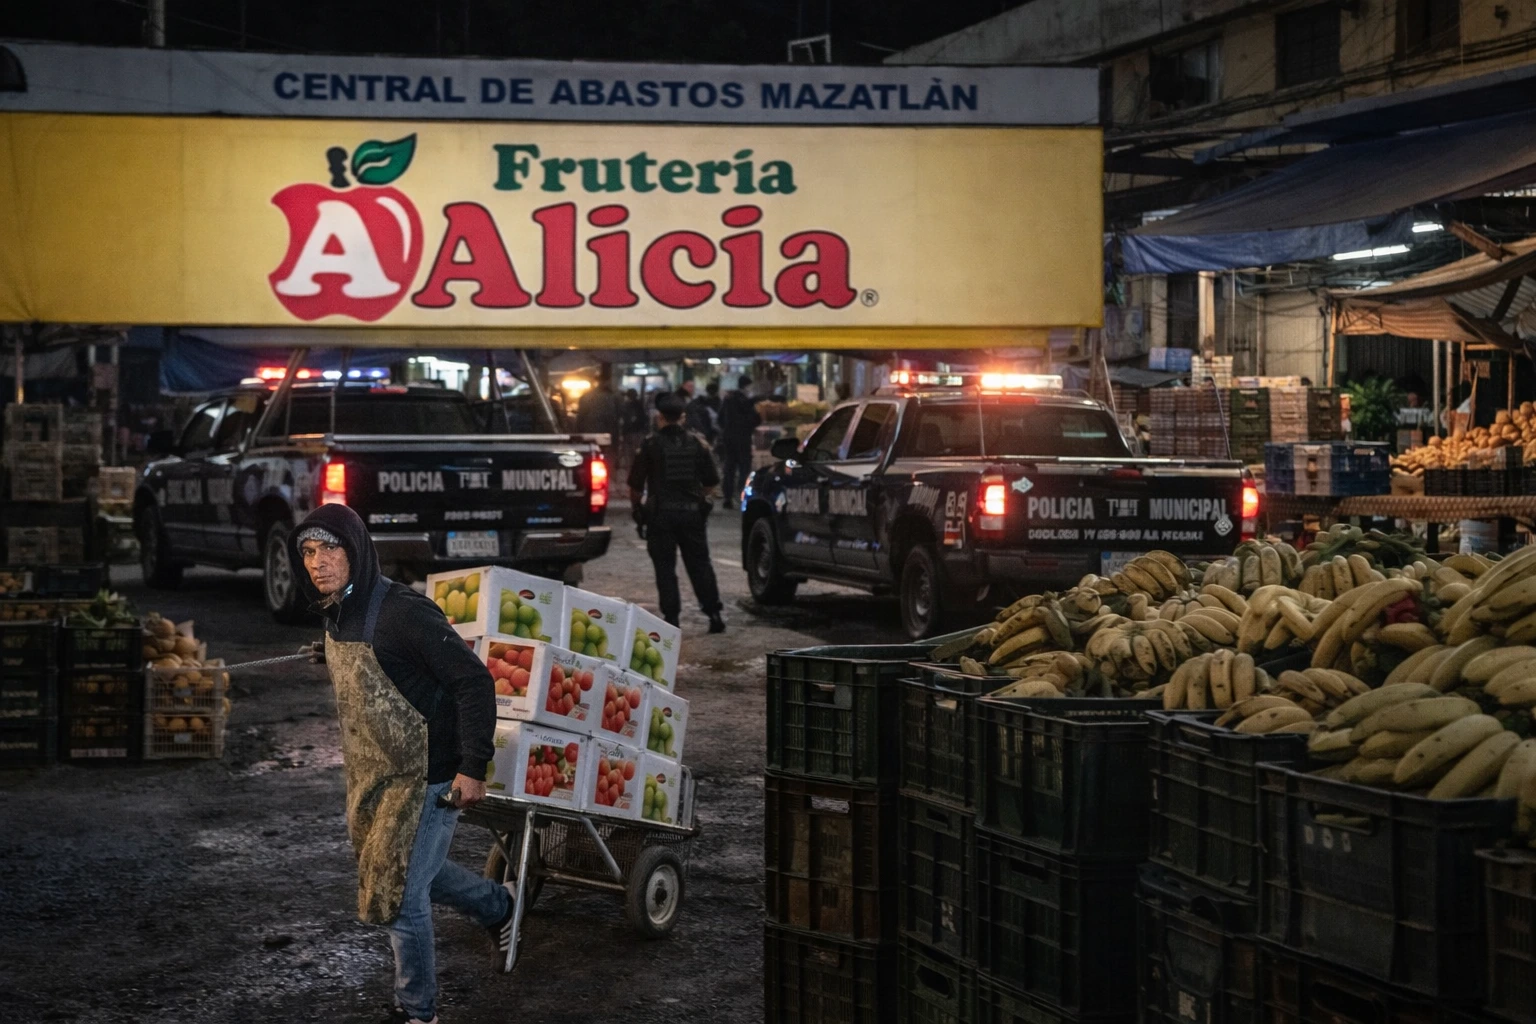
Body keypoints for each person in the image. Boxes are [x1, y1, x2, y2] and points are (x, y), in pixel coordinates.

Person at [291, 504, 513, 1024]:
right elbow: (383, 663)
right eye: (308, 551)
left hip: (428, 777)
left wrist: (473, 767)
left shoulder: (404, 613)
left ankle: (418, 1010)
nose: (318, 562)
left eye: (330, 548)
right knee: (407, 871)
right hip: (376, 776)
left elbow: (473, 682)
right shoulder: (339, 610)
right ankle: (499, 906)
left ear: (356, 551)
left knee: (402, 898)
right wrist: (328, 651)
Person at [629, 391, 726, 633]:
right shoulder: (698, 444)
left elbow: (635, 486)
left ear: (659, 416)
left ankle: (672, 618)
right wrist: (699, 499)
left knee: (665, 568)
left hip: (661, 517)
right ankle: (714, 614)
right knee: (700, 565)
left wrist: (638, 510)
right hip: (692, 515)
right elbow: (711, 482)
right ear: (683, 417)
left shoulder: (650, 445)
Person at [717, 375, 761, 507]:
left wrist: (727, 429)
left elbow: (720, 419)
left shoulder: (728, 399)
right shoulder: (747, 402)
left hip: (728, 438)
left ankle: (728, 497)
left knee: (729, 468)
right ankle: (742, 495)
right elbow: (755, 419)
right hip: (743, 439)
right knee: (744, 468)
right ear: (746, 386)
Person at [574, 378, 622, 468]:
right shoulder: (613, 397)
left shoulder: (586, 397)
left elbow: (580, 418)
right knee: (606, 457)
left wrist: (577, 434)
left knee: (589, 456)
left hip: (589, 434)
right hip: (607, 434)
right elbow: (618, 416)